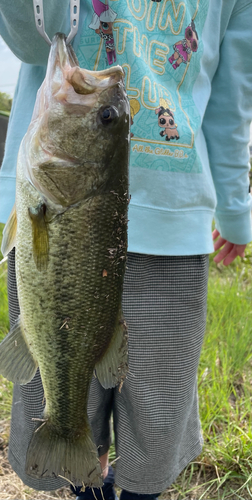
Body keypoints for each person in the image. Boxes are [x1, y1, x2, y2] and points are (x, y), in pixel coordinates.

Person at [0, 1, 252, 499]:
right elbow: (29, 40)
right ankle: (84, 482)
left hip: (172, 231)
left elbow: (231, 97)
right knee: (67, 398)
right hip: (51, 224)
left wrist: (236, 210)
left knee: (157, 412)